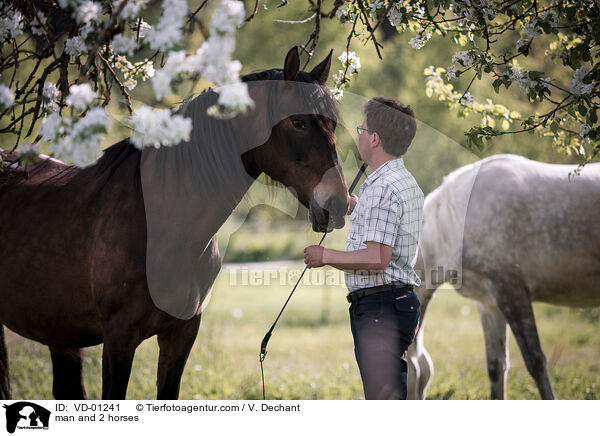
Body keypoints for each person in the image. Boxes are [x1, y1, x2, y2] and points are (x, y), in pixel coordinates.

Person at [303, 97, 424, 400]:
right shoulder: (402, 182)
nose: (358, 135)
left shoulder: (383, 188)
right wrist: (358, 207)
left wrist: (325, 256)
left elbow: (376, 259)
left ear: (374, 139)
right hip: (393, 303)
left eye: (362, 129)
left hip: (381, 308)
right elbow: (389, 234)